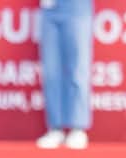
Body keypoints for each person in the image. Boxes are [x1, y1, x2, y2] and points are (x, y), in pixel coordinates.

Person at [36, 0, 94, 149]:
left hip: (77, 6)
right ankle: (55, 128)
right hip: (50, 8)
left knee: (77, 70)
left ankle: (78, 128)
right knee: (51, 71)